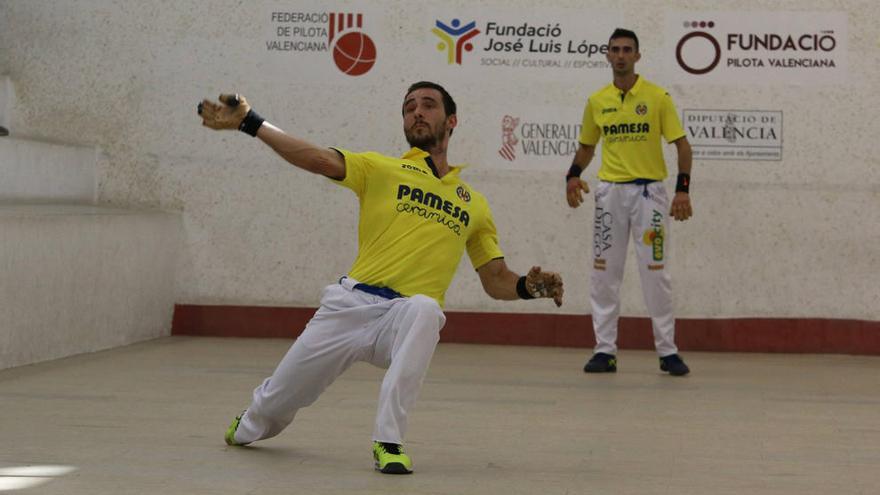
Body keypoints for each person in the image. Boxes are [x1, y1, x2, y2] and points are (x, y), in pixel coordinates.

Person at [198, 81, 564, 474]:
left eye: (428, 105)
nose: (417, 112)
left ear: (452, 120)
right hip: (349, 306)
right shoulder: (381, 168)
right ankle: (251, 419)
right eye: (409, 108)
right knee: (275, 405)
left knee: (426, 309)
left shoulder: (473, 204)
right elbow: (318, 159)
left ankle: (388, 441)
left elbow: (495, 280)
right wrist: (251, 122)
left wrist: (528, 287)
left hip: (402, 317)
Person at [565, 28, 693, 376]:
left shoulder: (657, 97)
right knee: (604, 274)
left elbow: (682, 145)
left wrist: (682, 189)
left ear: (638, 55)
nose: (620, 55)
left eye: (627, 50)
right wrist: (572, 174)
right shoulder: (597, 100)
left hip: (650, 195)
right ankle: (605, 351)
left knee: (656, 274)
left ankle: (668, 352)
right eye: (615, 49)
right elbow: (588, 146)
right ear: (606, 54)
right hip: (609, 197)